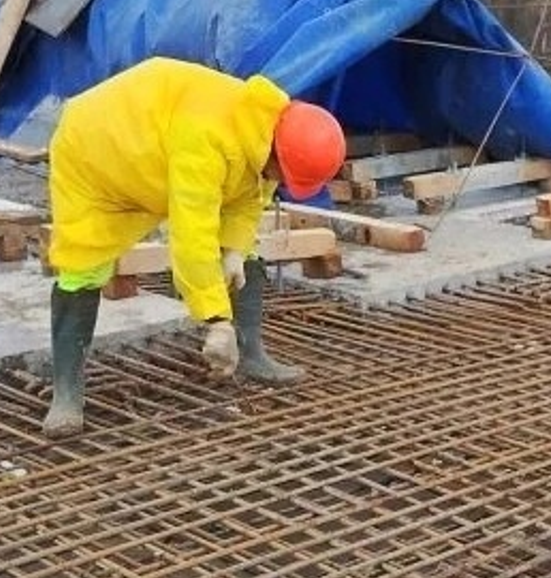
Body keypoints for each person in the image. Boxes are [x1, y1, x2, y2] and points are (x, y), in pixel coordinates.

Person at [41, 57, 348, 437]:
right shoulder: (206, 141)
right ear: (278, 155)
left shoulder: (265, 132)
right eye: (284, 175)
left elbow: (251, 194)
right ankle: (66, 395)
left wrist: (234, 250)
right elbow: (191, 236)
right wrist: (216, 320)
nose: (280, 182)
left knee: (243, 250)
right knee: (83, 267)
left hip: (155, 147)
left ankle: (250, 353)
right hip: (98, 154)